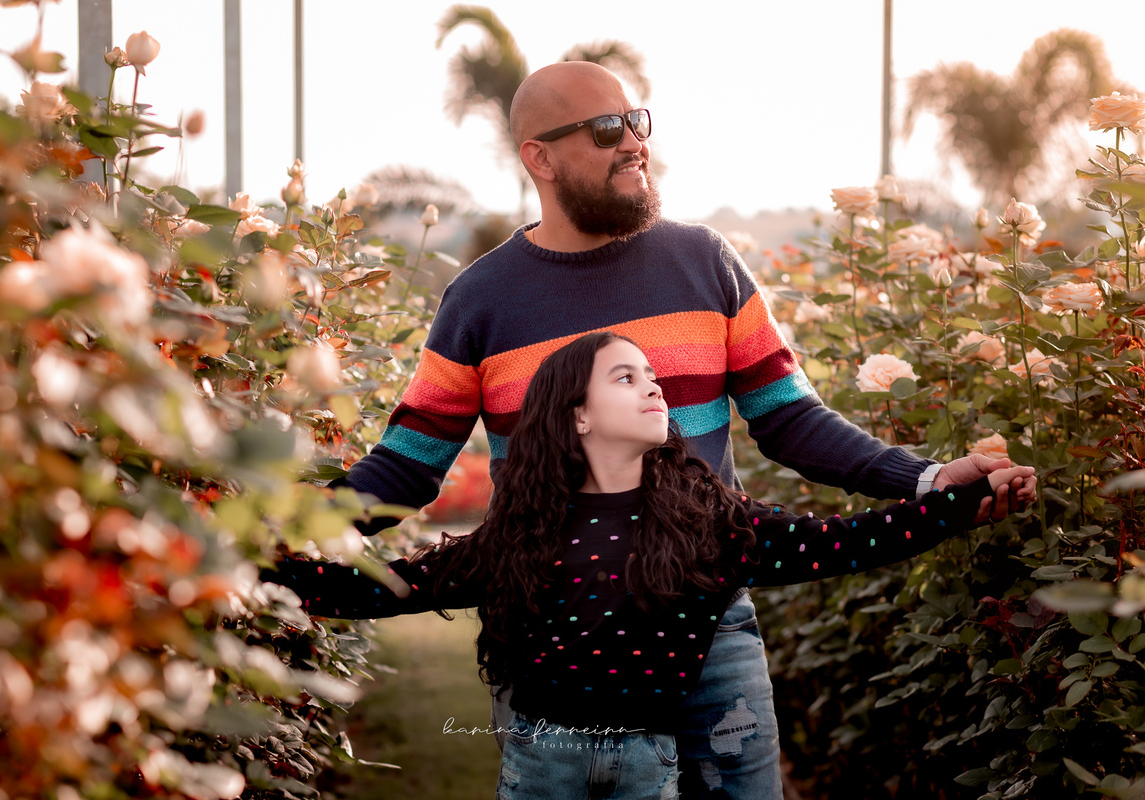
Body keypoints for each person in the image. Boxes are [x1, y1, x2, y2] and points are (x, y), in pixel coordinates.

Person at [331, 61, 1037, 798]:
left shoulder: (706, 263)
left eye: (638, 121)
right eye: (607, 129)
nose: (634, 141)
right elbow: (407, 467)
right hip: (554, 641)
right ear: (538, 157)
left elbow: (792, 419)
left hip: (712, 623)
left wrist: (923, 479)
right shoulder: (479, 300)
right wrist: (272, 533)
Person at [277, 333, 1035, 800]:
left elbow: (839, 542)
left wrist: (953, 502)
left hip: (651, 761)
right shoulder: (526, 530)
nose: (654, 386)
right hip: (542, 763)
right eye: (626, 377)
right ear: (577, 414)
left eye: (652, 376)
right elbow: (401, 585)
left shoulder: (708, 522)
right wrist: (270, 578)